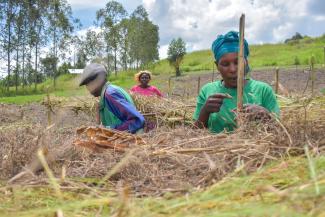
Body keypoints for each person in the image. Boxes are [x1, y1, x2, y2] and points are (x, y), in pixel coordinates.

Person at [193, 31, 280, 133]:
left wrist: (265, 115)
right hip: (217, 148)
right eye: (225, 64)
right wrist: (205, 111)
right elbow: (195, 133)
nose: (233, 69)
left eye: (237, 62)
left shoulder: (263, 90)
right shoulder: (208, 91)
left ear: (246, 62)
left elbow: (280, 131)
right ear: (217, 66)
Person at [79, 63, 145, 134]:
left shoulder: (110, 94)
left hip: (131, 142)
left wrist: (109, 130)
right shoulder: (108, 92)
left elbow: (137, 120)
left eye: (88, 84)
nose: (88, 88)